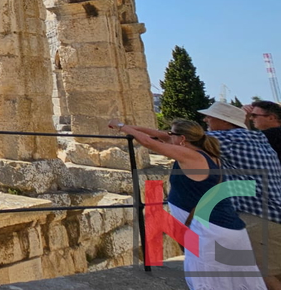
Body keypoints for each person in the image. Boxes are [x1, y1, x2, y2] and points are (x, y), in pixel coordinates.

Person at [108, 116, 265, 289]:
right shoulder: (204, 151)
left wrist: (121, 126)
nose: (168, 136)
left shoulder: (190, 156)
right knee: (235, 282)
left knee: (211, 282)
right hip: (221, 228)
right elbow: (160, 135)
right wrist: (131, 127)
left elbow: (151, 143)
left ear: (182, 139)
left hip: (211, 232)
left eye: (172, 134)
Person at [200, 101, 281, 290]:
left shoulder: (265, 137)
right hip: (272, 208)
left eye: (255, 116)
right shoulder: (261, 141)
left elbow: (193, 139)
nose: (251, 119)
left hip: (262, 214)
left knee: (265, 273)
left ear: (271, 118)